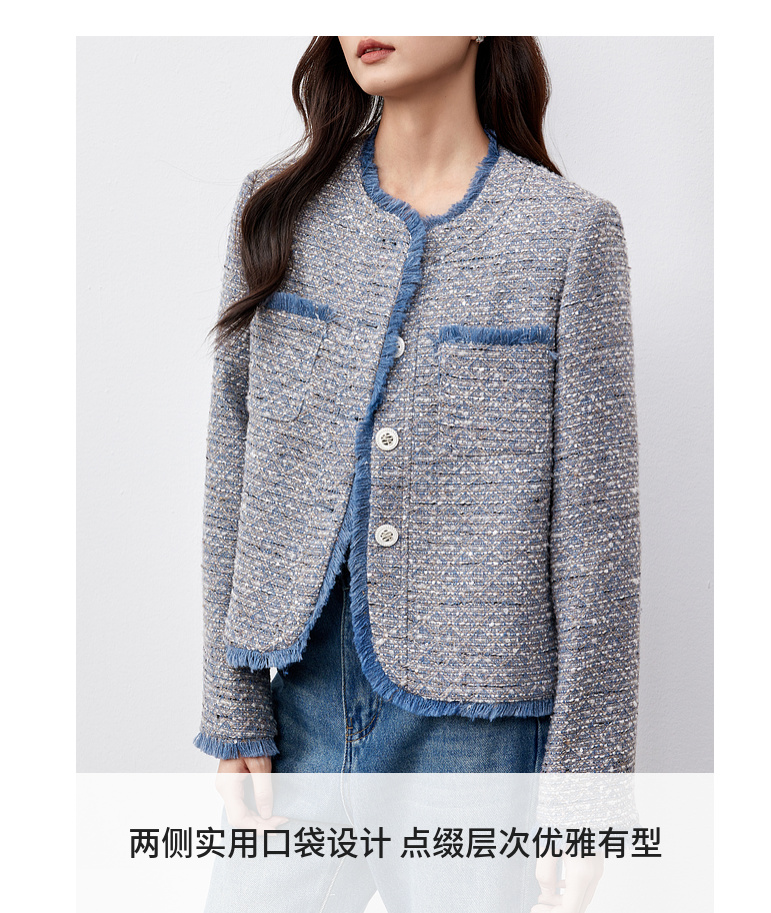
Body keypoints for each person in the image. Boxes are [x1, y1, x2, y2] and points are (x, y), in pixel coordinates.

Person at [196, 36, 640, 911]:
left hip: (480, 741)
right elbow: (234, 463)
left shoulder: (567, 233)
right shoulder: (277, 207)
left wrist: (587, 789)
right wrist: (230, 697)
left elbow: (599, 535)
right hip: (298, 710)